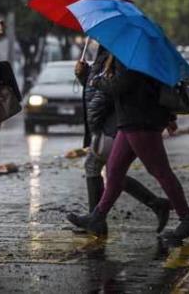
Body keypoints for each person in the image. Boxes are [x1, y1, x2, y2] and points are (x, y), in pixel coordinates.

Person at [67, 57, 189, 242]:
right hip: (131, 118)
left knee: (161, 172)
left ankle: (187, 220)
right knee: (114, 170)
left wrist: (94, 79)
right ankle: (97, 217)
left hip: (140, 119)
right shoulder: (137, 53)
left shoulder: (129, 56)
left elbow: (121, 84)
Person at [73, 45, 170, 234]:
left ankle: (97, 220)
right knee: (111, 171)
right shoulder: (105, 52)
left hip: (116, 119)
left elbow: (113, 87)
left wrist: (93, 81)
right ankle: (156, 204)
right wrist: (83, 75)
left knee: (99, 167)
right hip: (112, 119)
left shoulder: (119, 52)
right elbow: (97, 87)